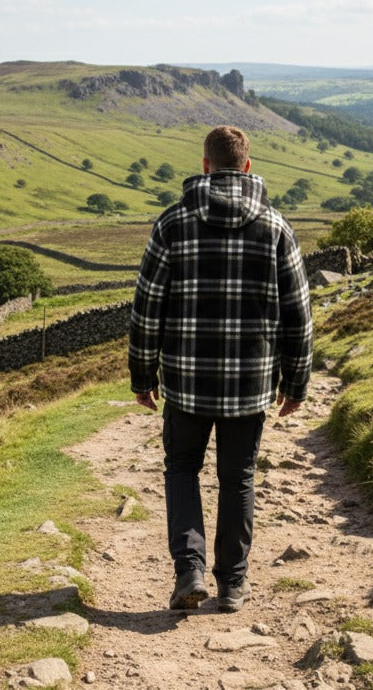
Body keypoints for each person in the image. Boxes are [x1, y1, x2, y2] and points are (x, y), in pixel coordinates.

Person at [129, 124, 313, 612]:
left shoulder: (172, 223)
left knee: (182, 469)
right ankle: (232, 584)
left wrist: (142, 377)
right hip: (250, 385)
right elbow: (298, 312)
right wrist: (296, 383)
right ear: (247, 166)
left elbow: (147, 307)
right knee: (239, 479)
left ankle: (189, 573)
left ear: (205, 166)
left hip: (186, 383)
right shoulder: (276, 226)